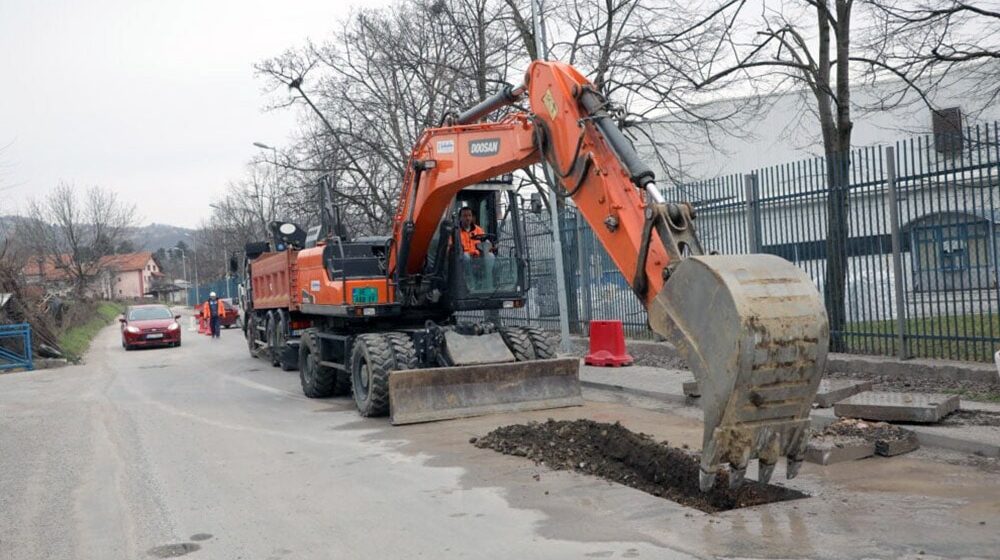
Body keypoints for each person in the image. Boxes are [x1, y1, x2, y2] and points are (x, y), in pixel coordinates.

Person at [457, 206, 495, 290]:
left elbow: (486, 242)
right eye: (465, 216)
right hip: (463, 260)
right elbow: (452, 246)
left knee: (491, 256)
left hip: (478, 258)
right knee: (465, 256)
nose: (467, 218)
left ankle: (488, 283)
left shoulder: (478, 230)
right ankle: (470, 283)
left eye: (469, 215)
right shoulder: (456, 231)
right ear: (460, 217)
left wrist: (489, 246)